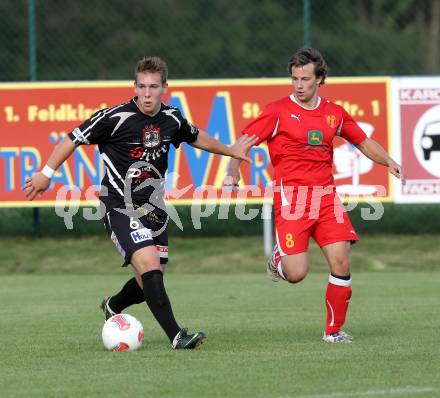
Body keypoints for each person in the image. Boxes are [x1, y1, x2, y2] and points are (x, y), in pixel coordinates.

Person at [24, 56, 257, 349]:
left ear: (164, 88)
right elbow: (72, 139)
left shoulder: (171, 118)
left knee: (149, 276)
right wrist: (46, 173)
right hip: (119, 204)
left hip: (155, 207)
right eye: (142, 87)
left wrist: (230, 151)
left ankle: (113, 305)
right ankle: (177, 336)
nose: (147, 94)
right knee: (150, 267)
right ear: (134, 86)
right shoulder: (113, 117)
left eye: (154, 87)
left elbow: (196, 137)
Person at [224, 47, 405, 343]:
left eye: (305, 79)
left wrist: (389, 162)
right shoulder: (278, 111)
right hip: (292, 199)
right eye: (294, 78)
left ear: (319, 78)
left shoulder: (334, 113)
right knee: (296, 274)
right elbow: (243, 142)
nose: (299, 85)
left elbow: (363, 141)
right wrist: (233, 169)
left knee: (341, 260)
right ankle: (280, 258)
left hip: (326, 199)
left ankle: (333, 331)